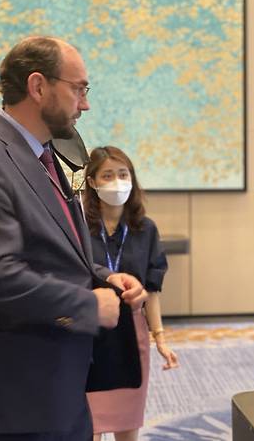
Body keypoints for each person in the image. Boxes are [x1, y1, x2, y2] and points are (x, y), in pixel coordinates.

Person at [0, 36, 147, 440]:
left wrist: (101, 277)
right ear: (38, 86)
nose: (85, 104)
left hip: (52, 398)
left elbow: (46, 251)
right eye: (79, 89)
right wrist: (85, 305)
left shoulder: (40, 156)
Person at [83, 146, 178, 441]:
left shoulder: (145, 228)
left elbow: (152, 288)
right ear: (92, 182)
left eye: (123, 174)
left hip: (132, 332)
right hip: (90, 329)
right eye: (107, 175)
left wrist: (160, 337)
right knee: (89, 422)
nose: (117, 182)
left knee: (128, 418)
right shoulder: (79, 226)